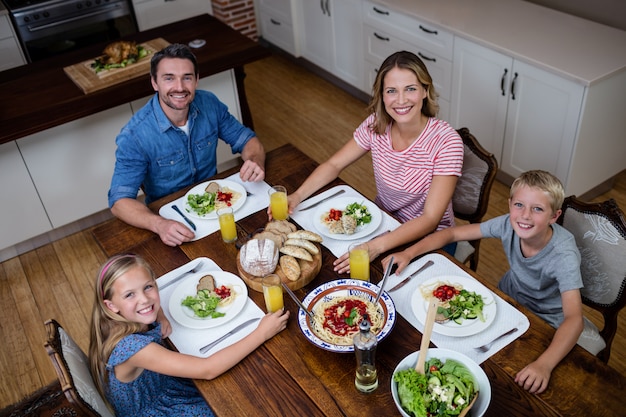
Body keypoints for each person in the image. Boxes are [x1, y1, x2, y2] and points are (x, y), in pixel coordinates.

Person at [383, 170, 584, 394]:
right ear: (510, 204)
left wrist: (544, 365)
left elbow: (575, 319)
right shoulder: (509, 223)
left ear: (554, 216)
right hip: (507, 300)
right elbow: (451, 235)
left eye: (538, 209)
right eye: (519, 205)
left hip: (543, 319)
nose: (525, 215)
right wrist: (408, 254)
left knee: (509, 384)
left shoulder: (564, 254)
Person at [275, 51, 463, 272]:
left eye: (410, 89)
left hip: (430, 241)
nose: (401, 100)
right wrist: (296, 196)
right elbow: (334, 165)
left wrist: (374, 247)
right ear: (382, 96)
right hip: (384, 223)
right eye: (391, 91)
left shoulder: (446, 141)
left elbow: (431, 218)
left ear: (425, 91)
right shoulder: (376, 124)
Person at [89, 254, 289, 416]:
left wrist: (161, 316)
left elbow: (145, 302)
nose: (144, 299)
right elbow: (208, 369)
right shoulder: (133, 348)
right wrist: (262, 333)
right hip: (161, 408)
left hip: (163, 384)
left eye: (148, 287)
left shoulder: (119, 315)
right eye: (129, 294)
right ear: (111, 305)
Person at [108, 43, 266, 247]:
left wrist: (255, 161)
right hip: (171, 221)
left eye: (187, 77)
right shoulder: (135, 136)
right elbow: (119, 202)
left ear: (197, 80)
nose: (180, 87)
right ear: (154, 83)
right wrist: (159, 225)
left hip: (221, 206)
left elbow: (248, 140)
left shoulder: (209, 103)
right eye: (169, 78)